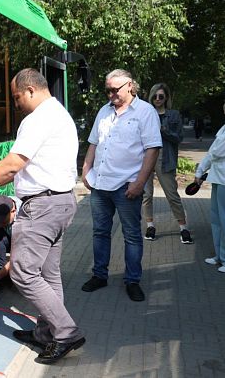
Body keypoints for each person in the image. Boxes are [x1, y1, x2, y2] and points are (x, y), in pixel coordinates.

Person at [0, 68, 85, 364]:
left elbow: (13, 165)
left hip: (42, 206)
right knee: (48, 274)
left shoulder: (38, 118)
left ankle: (65, 332)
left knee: (23, 272)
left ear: (30, 91)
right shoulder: (59, 114)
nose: (15, 104)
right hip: (61, 202)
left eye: (16, 97)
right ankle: (46, 332)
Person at [81, 69, 162, 302]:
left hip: (127, 186)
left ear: (130, 86)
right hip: (100, 184)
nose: (110, 94)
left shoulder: (145, 112)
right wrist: (86, 169)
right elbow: (94, 142)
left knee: (132, 235)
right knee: (100, 232)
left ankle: (132, 281)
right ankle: (99, 275)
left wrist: (140, 183)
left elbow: (152, 149)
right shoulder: (104, 112)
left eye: (115, 90)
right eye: (107, 90)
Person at [142, 83, 193, 244]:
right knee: (146, 195)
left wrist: (164, 130)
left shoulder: (173, 115)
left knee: (172, 195)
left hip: (165, 157)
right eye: (155, 96)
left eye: (161, 96)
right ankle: (150, 226)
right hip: (146, 156)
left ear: (166, 98)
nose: (158, 99)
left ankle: (183, 228)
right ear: (151, 97)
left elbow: (179, 138)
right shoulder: (145, 113)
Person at [198, 101, 225, 272]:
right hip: (218, 179)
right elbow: (212, 152)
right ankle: (219, 256)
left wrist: (201, 169)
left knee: (223, 219)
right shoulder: (223, 128)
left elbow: (216, 151)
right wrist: (200, 171)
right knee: (216, 218)